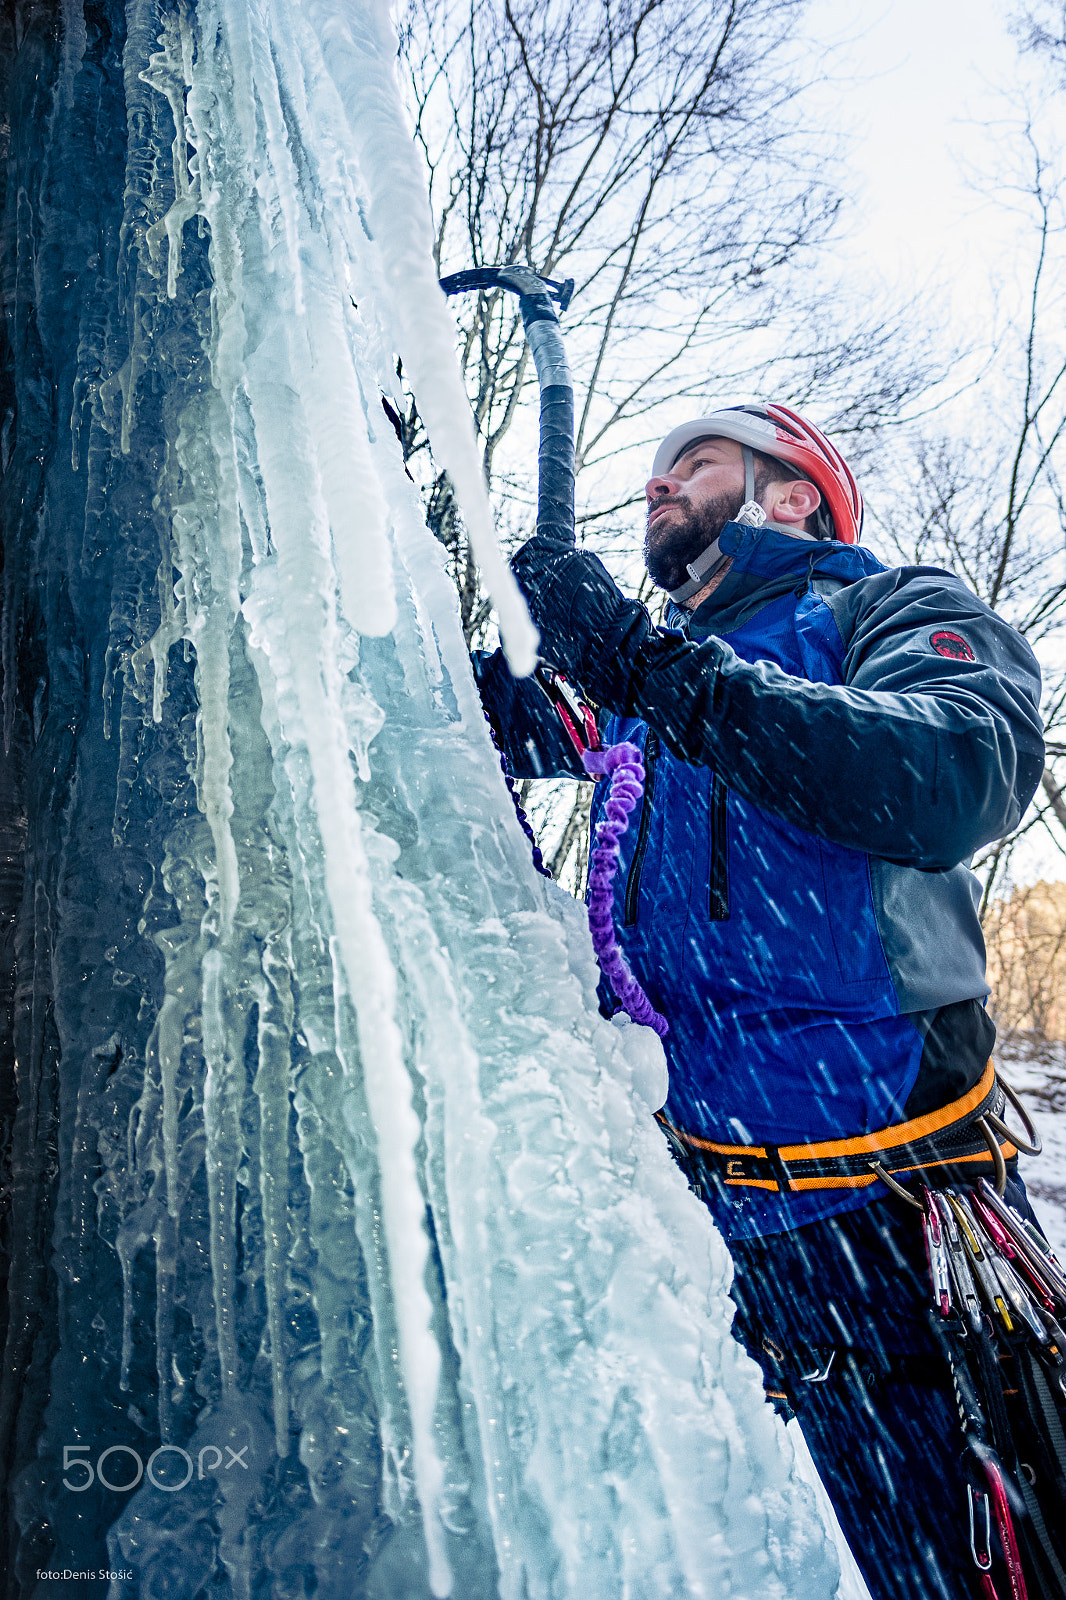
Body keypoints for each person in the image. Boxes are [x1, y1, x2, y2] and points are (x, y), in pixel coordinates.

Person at [474, 402, 1059, 1600]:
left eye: (692, 462)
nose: (655, 487)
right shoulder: (643, 692)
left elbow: (951, 773)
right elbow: (460, 717)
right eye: (648, 474)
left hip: (899, 1228)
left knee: (988, 1570)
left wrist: (647, 662)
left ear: (796, 493)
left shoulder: (880, 610)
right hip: (711, 1234)